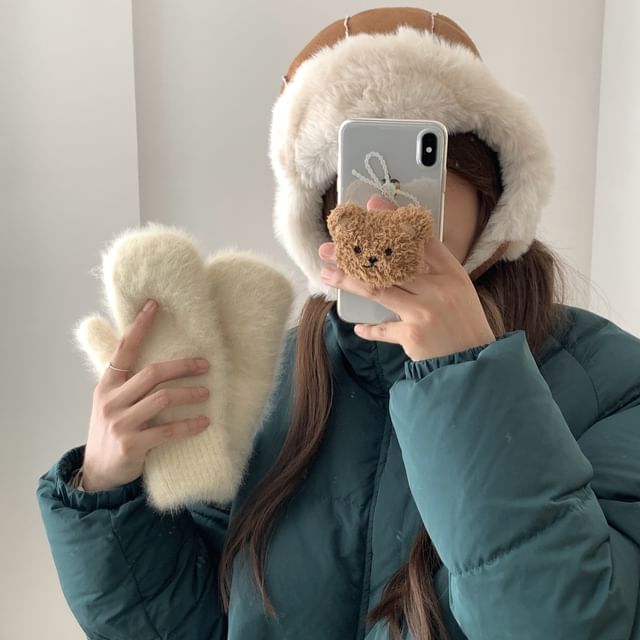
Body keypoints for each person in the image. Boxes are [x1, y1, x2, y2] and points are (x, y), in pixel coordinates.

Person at [36, 8, 640, 640]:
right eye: (355, 178)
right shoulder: (270, 378)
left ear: (487, 189)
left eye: (422, 170)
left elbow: (572, 623)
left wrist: (466, 381)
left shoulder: (614, 383)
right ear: (323, 217)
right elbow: (200, 624)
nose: (387, 205)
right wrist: (106, 489)